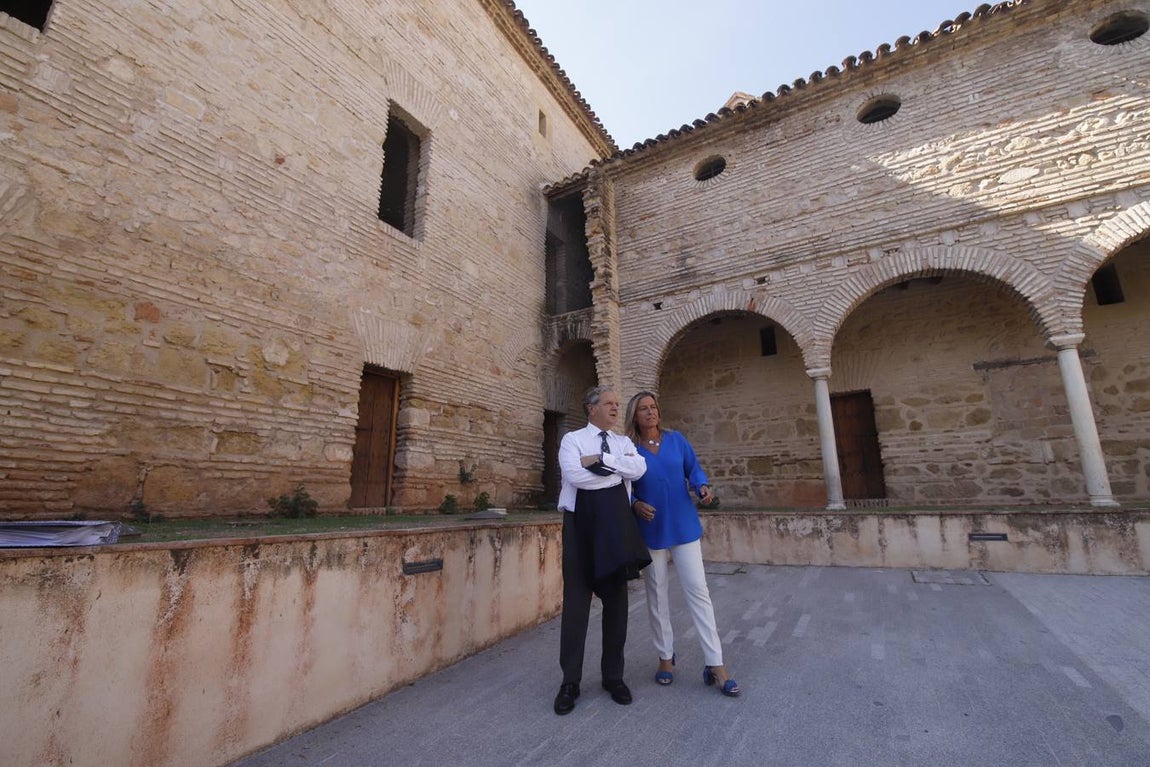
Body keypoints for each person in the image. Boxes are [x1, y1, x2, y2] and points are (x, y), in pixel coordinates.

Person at [624, 390, 741, 697]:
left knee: (698, 591)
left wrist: (702, 486)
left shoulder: (677, 440)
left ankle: (715, 663)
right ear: (634, 417)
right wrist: (635, 503)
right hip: (651, 528)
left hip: (684, 524)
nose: (650, 412)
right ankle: (665, 657)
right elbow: (623, 486)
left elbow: (694, 469)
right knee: (656, 595)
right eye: (643, 409)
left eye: (653, 407)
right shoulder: (629, 449)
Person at [553, 385, 651, 716]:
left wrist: (602, 460)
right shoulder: (573, 440)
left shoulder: (623, 443)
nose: (614, 408)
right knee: (576, 604)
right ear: (590, 408)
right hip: (579, 526)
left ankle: (614, 677)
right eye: (608, 403)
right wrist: (614, 472)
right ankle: (570, 682)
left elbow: (639, 470)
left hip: (614, 527)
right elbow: (575, 475)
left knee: (617, 604)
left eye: (616, 404)